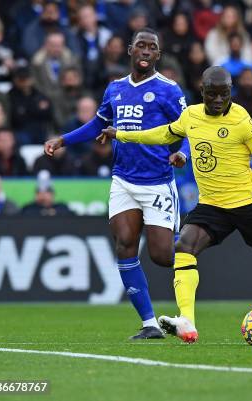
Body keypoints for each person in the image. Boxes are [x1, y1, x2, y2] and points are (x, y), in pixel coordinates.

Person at [98, 66, 252, 343]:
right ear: (203, 93)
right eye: (212, 94)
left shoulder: (242, 120)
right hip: (212, 205)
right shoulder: (191, 116)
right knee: (184, 245)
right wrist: (122, 134)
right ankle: (187, 320)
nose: (218, 100)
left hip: (250, 203)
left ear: (230, 92)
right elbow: (163, 134)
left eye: (224, 94)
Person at [43, 28, 190, 341]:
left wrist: (183, 154)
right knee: (124, 243)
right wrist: (63, 140)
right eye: (141, 46)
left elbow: (191, 128)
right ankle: (150, 323)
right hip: (123, 178)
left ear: (158, 55)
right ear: (130, 50)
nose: (146, 51)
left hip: (157, 181)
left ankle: (192, 252)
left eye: (152, 47)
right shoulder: (115, 88)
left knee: (163, 255)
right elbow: (98, 123)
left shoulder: (168, 89)